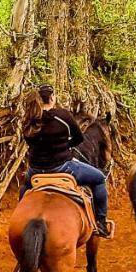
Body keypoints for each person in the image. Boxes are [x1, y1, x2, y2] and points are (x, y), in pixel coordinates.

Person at [19, 85, 111, 237]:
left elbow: (31, 142)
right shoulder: (63, 116)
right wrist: (63, 147)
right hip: (62, 167)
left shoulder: (29, 119)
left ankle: (23, 220)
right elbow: (79, 138)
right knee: (99, 178)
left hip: (35, 170)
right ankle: (101, 222)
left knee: (24, 188)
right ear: (52, 98)